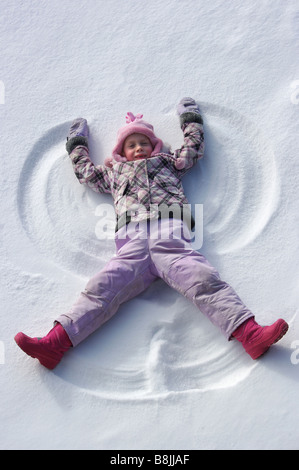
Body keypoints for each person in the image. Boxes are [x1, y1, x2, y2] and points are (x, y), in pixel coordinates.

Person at [14, 98, 289, 370]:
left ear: (154, 145)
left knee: (202, 279)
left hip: (168, 236)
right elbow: (85, 173)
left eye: (143, 143)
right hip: (132, 245)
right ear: (121, 150)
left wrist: (190, 119)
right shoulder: (113, 173)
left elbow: (192, 150)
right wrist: (77, 144)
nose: (138, 149)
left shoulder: (168, 163)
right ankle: (55, 343)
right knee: (101, 288)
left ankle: (250, 335)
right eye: (131, 145)